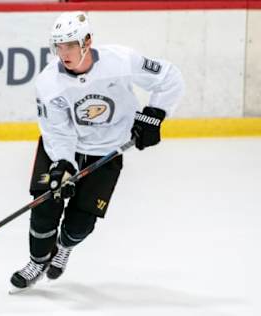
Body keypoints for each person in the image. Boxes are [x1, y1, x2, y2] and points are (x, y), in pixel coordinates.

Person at [10, 11, 185, 290]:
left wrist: (155, 113)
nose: (63, 53)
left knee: (81, 224)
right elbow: (57, 130)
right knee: (45, 206)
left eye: (70, 45)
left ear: (87, 41)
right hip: (61, 149)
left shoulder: (121, 60)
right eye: (58, 45)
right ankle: (37, 261)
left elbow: (169, 77)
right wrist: (63, 164)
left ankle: (64, 246)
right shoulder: (49, 82)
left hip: (106, 151)